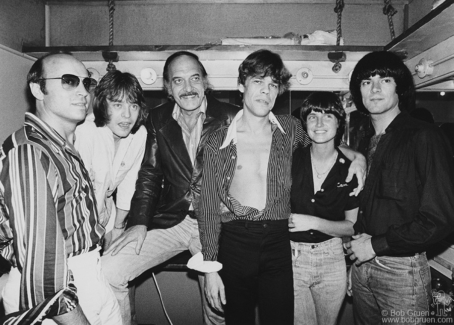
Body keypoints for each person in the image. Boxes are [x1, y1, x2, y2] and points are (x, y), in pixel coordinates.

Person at [196, 50, 365, 325]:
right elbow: (208, 209)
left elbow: (324, 140)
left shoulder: (290, 129)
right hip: (236, 240)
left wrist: (358, 157)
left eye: (273, 85)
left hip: (278, 241)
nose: (266, 92)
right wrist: (210, 269)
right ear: (241, 85)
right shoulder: (218, 141)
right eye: (258, 82)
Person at [101, 51, 240, 325]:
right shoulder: (156, 119)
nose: (188, 88)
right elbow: (149, 176)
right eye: (178, 81)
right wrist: (139, 222)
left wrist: (347, 152)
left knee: (218, 303)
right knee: (108, 271)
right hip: (170, 222)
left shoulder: (233, 118)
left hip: (217, 223)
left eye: (194, 78)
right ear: (168, 87)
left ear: (205, 82)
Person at [0, 53, 121, 324]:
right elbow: (44, 277)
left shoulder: (61, 146)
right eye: (69, 81)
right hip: (62, 300)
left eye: (86, 83)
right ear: (37, 89)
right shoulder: (30, 153)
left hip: (91, 275)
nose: (82, 91)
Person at [345, 51, 454, 325]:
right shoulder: (366, 141)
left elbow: (439, 218)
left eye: (385, 79)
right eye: (367, 82)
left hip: (401, 272)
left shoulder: (424, 136)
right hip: (362, 265)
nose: (376, 88)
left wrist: (376, 245)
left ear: (400, 88)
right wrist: (358, 263)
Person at [289, 92, 359, 325]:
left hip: (332, 258)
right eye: (312, 116)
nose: (319, 123)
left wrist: (313, 222)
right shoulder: (289, 160)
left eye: (328, 116)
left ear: (339, 122)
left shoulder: (351, 170)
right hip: (292, 257)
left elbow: (351, 227)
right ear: (305, 123)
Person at [74, 70, 147, 248]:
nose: (127, 115)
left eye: (133, 106)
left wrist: (117, 227)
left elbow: (129, 183)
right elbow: (78, 194)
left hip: (108, 211)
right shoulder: (85, 132)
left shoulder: (139, 135)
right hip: (76, 220)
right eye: (117, 105)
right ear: (102, 105)